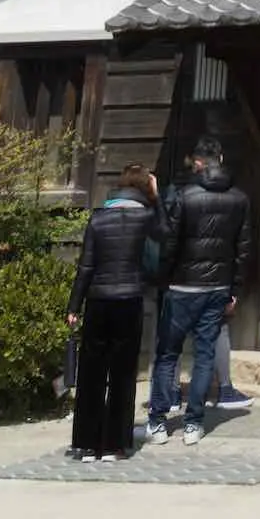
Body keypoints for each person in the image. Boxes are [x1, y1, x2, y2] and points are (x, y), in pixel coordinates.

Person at [146, 143, 253, 446]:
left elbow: (169, 244)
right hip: (217, 285)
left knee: (168, 354)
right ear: (220, 159)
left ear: (197, 164)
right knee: (204, 355)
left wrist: (164, 279)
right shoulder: (239, 199)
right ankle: (193, 423)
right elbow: (243, 250)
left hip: (181, 285)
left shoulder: (185, 197)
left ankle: (157, 421)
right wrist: (235, 289)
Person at [66, 163, 162, 462]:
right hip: (129, 298)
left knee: (92, 372)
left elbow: (86, 266)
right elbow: (165, 242)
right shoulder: (147, 218)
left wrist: (73, 306)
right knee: (122, 373)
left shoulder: (98, 218)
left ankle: (85, 443)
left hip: (97, 299)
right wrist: (157, 199)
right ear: (145, 188)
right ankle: (114, 444)